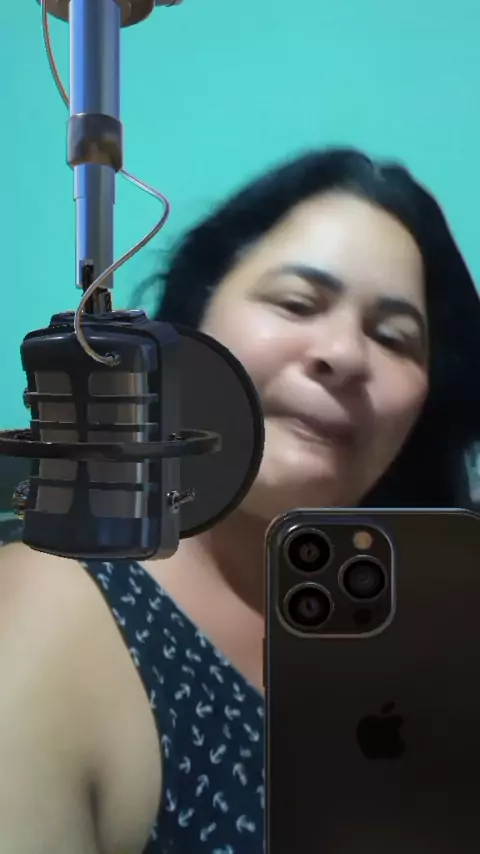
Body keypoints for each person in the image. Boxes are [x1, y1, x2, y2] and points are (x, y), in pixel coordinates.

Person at [1, 147, 480, 854]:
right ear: (194, 323)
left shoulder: (429, 621)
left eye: (393, 338)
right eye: (297, 303)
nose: (345, 355)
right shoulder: (51, 603)